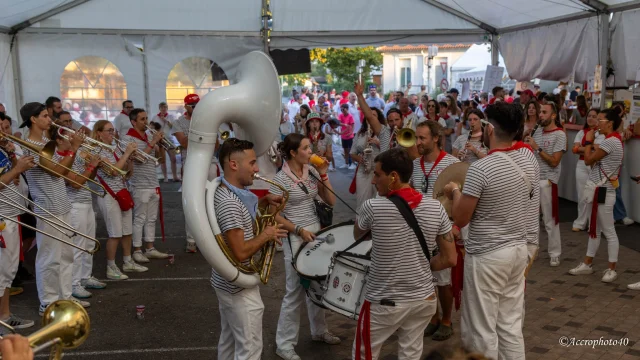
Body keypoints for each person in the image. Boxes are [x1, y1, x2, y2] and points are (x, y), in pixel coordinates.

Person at [445, 102, 537, 359]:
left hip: (488, 255)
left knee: (481, 329)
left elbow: (461, 217)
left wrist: (453, 191)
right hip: (517, 251)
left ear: (490, 129)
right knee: (509, 325)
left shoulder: (481, 169)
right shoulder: (528, 158)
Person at [352, 148, 457, 360]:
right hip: (423, 299)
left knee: (363, 354)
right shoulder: (436, 208)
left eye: (377, 174)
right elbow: (450, 259)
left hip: (384, 301)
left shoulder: (372, 206)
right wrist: (418, 266)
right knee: (411, 353)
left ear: (393, 177)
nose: (373, 181)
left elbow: (358, 235)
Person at [212, 138, 287, 360]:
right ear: (234, 165)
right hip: (239, 287)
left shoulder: (229, 191)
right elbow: (241, 252)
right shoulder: (230, 203)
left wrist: (262, 203)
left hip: (227, 282)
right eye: (253, 163)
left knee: (229, 342)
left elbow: (241, 221)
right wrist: (266, 235)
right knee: (250, 349)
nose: (257, 169)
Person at [271, 133, 339, 360]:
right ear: (292, 153)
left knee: (319, 283)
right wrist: (299, 230)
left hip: (317, 231)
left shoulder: (311, 171)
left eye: (310, 148)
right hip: (296, 236)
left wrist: (324, 174)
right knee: (295, 290)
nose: (311, 152)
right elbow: (275, 216)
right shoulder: (280, 179)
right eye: (306, 148)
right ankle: (284, 344)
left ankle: (319, 331)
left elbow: (331, 201)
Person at [18, 102, 89, 315]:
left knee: (66, 255)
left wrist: (73, 152)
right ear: (33, 119)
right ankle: (48, 302)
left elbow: (63, 172)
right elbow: (57, 172)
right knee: (49, 258)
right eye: (45, 116)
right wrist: (74, 148)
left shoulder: (47, 142)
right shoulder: (28, 144)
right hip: (47, 207)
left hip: (62, 204)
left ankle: (65, 297)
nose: (50, 120)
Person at [410, 120, 459, 341]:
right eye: (416, 138)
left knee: (444, 279)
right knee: (426, 277)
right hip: (419, 229)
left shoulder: (452, 163)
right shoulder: (413, 164)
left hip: (443, 227)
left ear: (436, 138)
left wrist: (456, 226)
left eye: (422, 138)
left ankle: (447, 319)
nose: (417, 142)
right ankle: (433, 317)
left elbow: (462, 196)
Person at [49, 119, 107, 299]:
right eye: (69, 134)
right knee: (77, 247)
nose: (74, 136)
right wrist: (91, 165)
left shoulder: (75, 155)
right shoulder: (59, 157)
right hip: (74, 205)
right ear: (59, 139)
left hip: (86, 202)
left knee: (89, 243)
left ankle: (85, 277)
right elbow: (76, 183)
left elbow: (88, 179)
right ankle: (73, 284)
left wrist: (95, 166)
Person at [568, 109, 624, 283]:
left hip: (604, 192)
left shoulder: (611, 141)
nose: (597, 123)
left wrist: (588, 142)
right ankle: (587, 263)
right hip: (600, 190)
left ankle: (611, 269)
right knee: (595, 230)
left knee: (608, 231)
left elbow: (588, 159)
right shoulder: (612, 140)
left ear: (610, 123)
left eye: (600, 120)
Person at [92, 120, 147, 279]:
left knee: (127, 231)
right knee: (115, 233)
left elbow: (126, 174)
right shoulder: (97, 151)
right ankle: (111, 267)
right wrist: (127, 153)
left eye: (113, 130)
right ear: (99, 133)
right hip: (109, 195)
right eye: (109, 131)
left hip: (122, 192)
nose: (113, 134)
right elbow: (113, 172)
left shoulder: (113, 149)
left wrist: (130, 162)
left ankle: (128, 261)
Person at [123, 108, 169, 263]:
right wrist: (154, 141)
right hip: (139, 184)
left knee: (151, 218)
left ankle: (150, 248)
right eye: (142, 119)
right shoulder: (129, 138)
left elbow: (159, 160)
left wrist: (161, 145)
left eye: (146, 118)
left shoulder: (148, 136)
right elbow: (140, 159)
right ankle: (137, 250)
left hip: (152, 182)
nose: (146, 122)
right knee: (140, 218)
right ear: (133, 121)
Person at [0, 136, 36, 331]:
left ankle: (5, 315)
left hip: (11, 214)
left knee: (7, 272)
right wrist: (16, 168)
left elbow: (15, 178)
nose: (3, 133)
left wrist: (13, 155)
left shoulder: (2, 150)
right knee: (2, 271)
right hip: (2, 218)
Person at [524, 102, 566, 267]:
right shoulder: (537, 131)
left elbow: (555, 162)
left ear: (553, 115)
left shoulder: (559, 135)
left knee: (550, 220)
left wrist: (537, 147)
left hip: (547, 181)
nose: (540, 115)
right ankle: (531, 252)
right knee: (531, 220)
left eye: (544, 112)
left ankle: (555, 253)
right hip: (532, 180)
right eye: (539, 112)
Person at [173, 94, 199, 251]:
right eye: (192, 106)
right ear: (186, 107)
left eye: (197, 105)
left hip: (210, 163)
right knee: (191, 203)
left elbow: (216, 145)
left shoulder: (206, 119)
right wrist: (198, 128)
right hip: (189, 163)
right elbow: (184, 143)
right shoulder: (178, 122)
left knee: (210, 202)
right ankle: (191, 239)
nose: (195, 108)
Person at [572, 109, 600, 232]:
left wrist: (583, 147)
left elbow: (600, 149)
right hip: (582, 164)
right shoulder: (581, 132)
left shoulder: (602, 133)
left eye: (594, 116)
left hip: (596, 164)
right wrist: (591, 147)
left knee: (594, 194)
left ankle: (593, 224)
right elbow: (575, 149)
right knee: (582, 195)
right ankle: (581, 222)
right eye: (589, 116)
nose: (590, 118)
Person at [349, 108, 383, 209]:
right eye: (369, 116)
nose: (371, 118)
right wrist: (361, 159)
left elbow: (390, 151)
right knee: (362, 201)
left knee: (378, 201)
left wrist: (378, 143)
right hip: (363, 171)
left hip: (379, 172)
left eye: (374, 115)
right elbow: (352, 153)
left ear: (378, 118)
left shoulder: (384, 133)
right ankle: (360, 223)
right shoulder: (360, 133)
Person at [151, 102, 179, 182]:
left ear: (167, 108)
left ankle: (175, 176)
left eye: (165, 107)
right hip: (160, 140)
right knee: (163, 160)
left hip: (169, 139)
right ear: (159, 108)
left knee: (173, 159)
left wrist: (165, 120)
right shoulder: (155, 117)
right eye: (162, 107)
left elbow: (173, 127)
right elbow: (152, 128)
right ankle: (165, 177)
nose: (163, 109)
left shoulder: (171, 117)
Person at [338, 103, 356, 169]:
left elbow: (353, 125)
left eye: (343, 109)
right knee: (345, 150)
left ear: (347, 109)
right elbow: (338, 123)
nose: (342, 110)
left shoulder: (350, 116)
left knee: (351, 150)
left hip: (349, 136)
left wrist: (351, 132)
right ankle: (346, 163)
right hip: (343, 136)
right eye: (341, 109)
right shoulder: (340, 115)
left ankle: (353, 163)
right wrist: (344, 124)